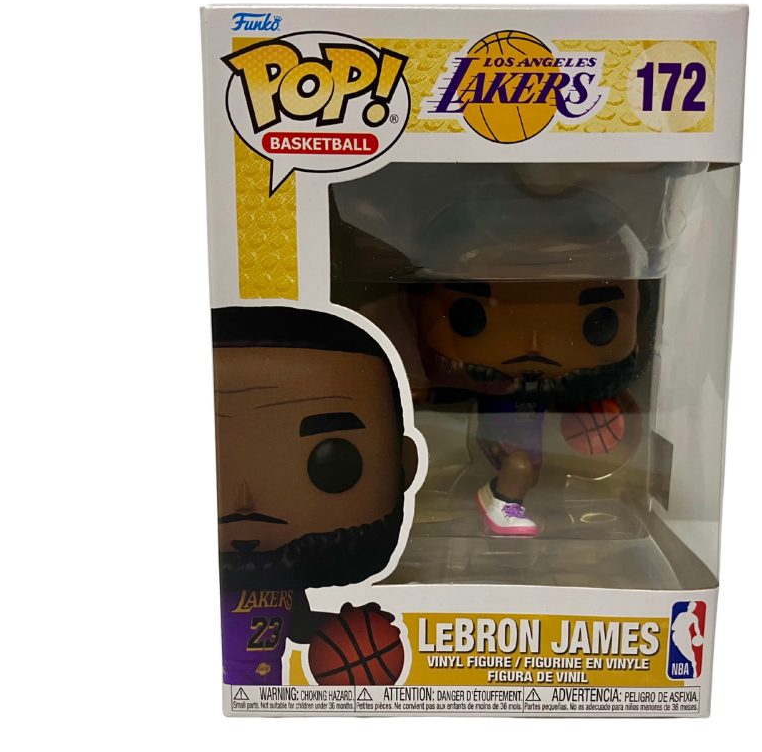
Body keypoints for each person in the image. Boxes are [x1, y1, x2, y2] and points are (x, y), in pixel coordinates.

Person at [212, 306, 418, 685]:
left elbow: (300, 626)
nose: (245, 504)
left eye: (332, 463)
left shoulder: (280, 572)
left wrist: (348, 629)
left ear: (402, 464)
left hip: (265, 694)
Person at [413, 279, 639, 536]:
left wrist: (592, 407)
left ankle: (492, 495)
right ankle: (503, 511)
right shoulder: (496, 384)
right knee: (519, 466)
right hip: (498, 436)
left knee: (529, 477)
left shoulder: (545, 387)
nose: (533, 346)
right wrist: (429, 393)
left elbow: (561, 402)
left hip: (529, 440)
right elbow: (463, 391)